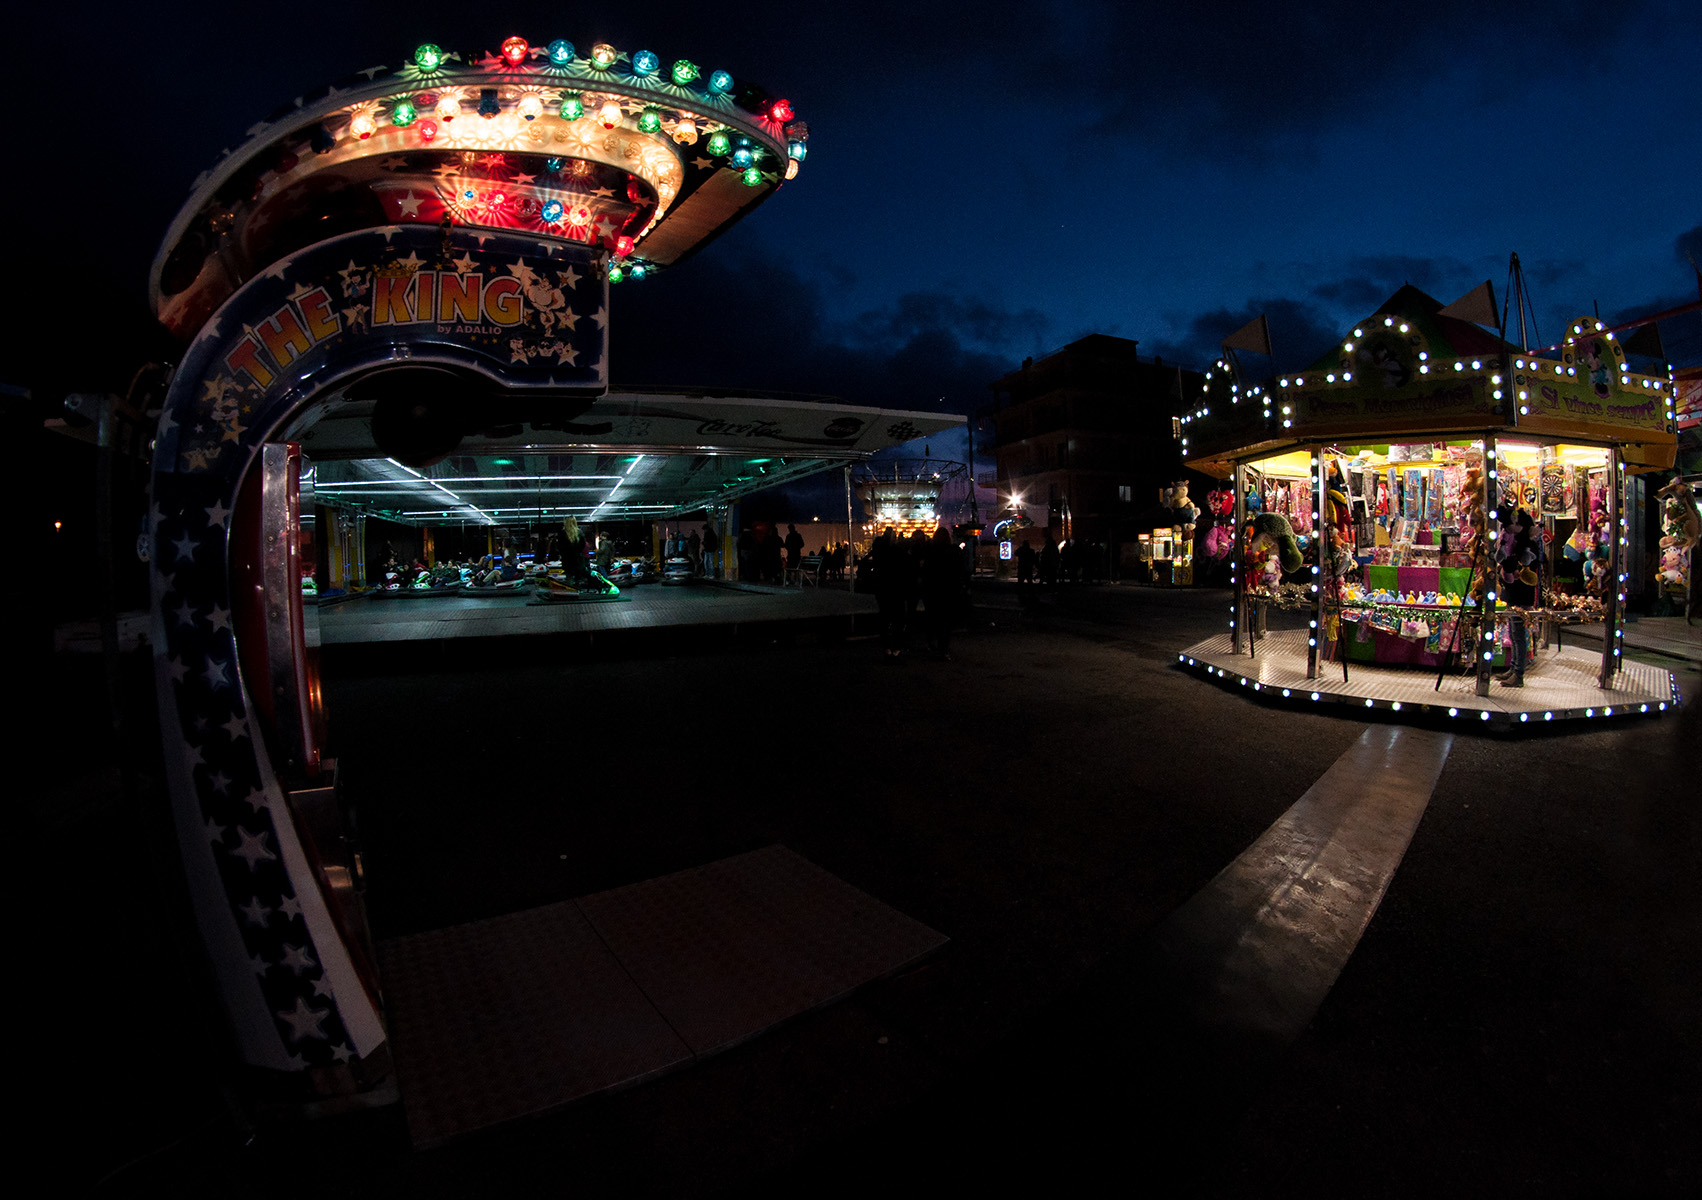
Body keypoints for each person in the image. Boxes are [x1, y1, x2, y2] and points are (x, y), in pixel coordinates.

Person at [923, 526, 967, 659]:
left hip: (932, 589)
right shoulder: (954, 551)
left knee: (933, 618)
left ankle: (931, 642)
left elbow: (926, 570)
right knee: (946, 621)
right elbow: (961, 570)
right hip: (949, 589)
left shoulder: (930, 550)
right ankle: (944, 648)